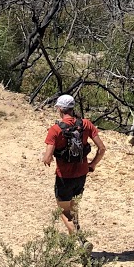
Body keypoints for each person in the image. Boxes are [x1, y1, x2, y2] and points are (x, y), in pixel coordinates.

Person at [42, 93, 106, 233]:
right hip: (82, 175)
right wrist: (92, 165)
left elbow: (47, 158)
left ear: (59, 109)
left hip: (64, 177)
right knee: (74, 208)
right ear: (72, 108)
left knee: (64, 210)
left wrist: (47, 157)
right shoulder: (86, 124)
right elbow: (102, 149)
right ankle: (77, 247)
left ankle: (79, 238)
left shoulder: (55, 130)